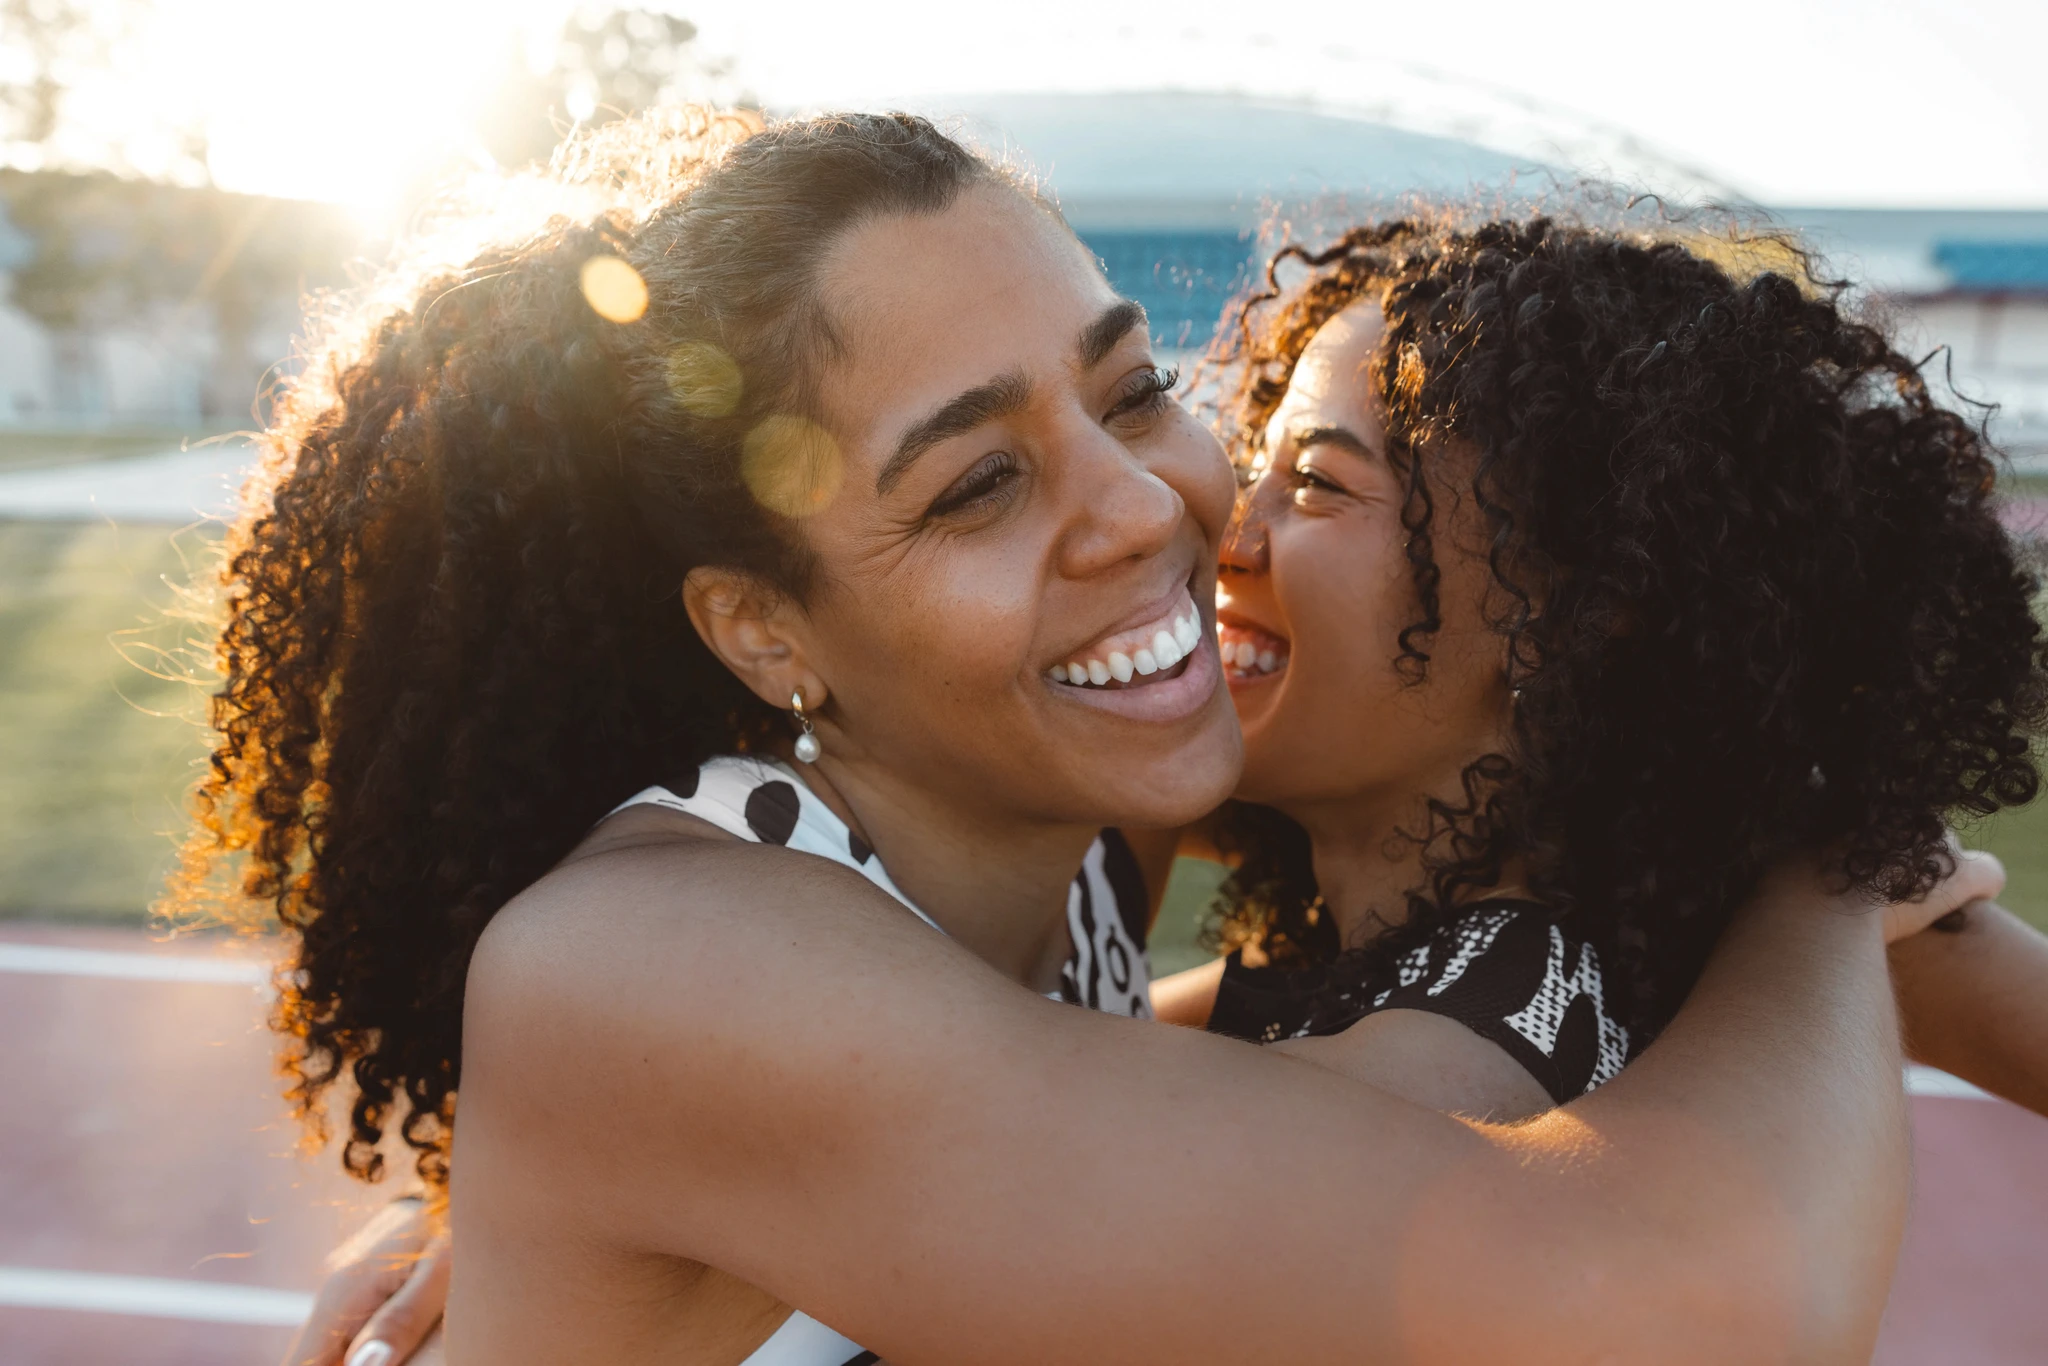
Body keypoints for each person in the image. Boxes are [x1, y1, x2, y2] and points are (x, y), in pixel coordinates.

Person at [202, 109, 2005, 1366]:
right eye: (977, 481)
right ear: (762, 628)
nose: (1148, 507)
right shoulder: (647, 965)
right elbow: (1672, 1310)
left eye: (1131, 387)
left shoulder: (1068, 805)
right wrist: (1832, 884)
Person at [1148, 214, 2048, 1130]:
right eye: (1254, 464)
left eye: (1318, 484)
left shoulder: (1443, 1071)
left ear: (1564, 619)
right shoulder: (1609, 938)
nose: (1227, 535)